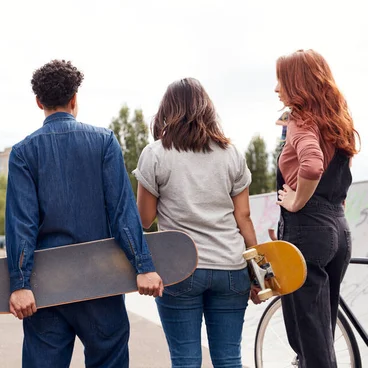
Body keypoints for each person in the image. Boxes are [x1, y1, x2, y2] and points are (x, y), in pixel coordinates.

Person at [5, 59, 163, 368]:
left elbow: (21, 223)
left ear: (39, 102)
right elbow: (122, 212)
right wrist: (143, 265)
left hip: (45, 285)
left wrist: (20, 283)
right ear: (75, 99)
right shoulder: (103, 141)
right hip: (100, 281)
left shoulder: (23, 152)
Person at [133, 77, 260, 368]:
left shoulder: (155, 154)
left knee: (186, 360)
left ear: (168, 110)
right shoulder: (232, 154)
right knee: (229, 359)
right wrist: (258, 273)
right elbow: (244, 217)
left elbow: (145, 219)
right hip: (231, 268)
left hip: (180, 269)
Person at [274, 49, 359, 368]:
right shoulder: (337, 121)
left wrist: (297, 200)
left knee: (311, 340)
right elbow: (340, 175)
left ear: (297, 83)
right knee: (322, 333)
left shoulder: (301, 120)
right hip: (338, 229)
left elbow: (311, 165)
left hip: (308, 232)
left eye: (280, 80)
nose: (276, 88)